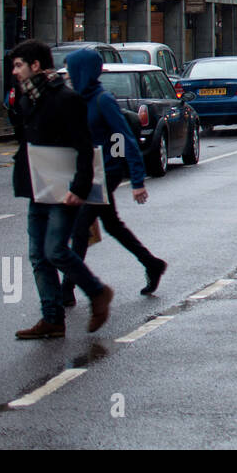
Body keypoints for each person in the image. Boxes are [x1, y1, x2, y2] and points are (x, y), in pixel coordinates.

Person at [6, 40, 114, 339]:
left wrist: (80, 187)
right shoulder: (28, 99)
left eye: (18, 66)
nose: (14, 72)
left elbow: (83, 146)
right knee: (38, 255)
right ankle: (52, 319)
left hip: (64, 188)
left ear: (36, 66)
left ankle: (97, 292)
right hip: (38, 186)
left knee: (54, 250)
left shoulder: (66, 99)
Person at [61, 50, 166, 303]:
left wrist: (138, 181)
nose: (69, 78)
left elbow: (126, 138)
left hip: (106, 173)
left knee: (80, 228)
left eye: (71, 72)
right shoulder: (77, 101)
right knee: (112, 226)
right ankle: (152, 263)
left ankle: (67, 290)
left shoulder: (103, 100)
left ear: (83, 71)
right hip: (89, 172)